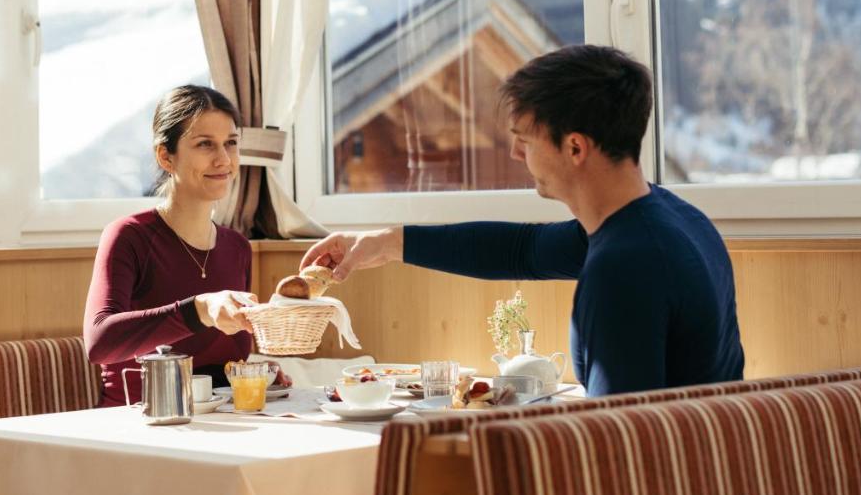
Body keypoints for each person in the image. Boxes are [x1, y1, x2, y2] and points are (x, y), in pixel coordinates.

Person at [301, 45, 745, 397]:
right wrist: (383, 243)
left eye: (524, 141)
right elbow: (521, 251)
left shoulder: (624, 265)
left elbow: (618, 439)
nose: (515, 155)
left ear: (574, 148)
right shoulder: (671, 220)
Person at [84, 85, 279, 407]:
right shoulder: (129, 236)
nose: (223, 159)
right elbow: (100, 343)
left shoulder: (237, 247)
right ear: (165, 156)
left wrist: (258, 373)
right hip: (135, 421)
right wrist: (199, 309)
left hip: (216, 421)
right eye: (205, 144)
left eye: (230, 143)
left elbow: (221, 360)